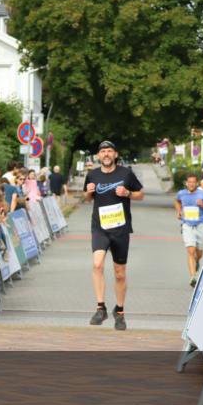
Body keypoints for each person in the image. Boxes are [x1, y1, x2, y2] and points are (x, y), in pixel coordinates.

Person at [82, 140, 144, 331]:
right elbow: (87, 198)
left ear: (115, 154)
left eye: (109, 151)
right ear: (98, 156)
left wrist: (128, 193)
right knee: (97, 264)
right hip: (100, 227)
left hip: (120, 229)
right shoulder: (92, 174)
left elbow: (140, 194)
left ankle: (120, 311)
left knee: (119, 273)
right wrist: (88, 193)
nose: (106, 154)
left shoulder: (126, 173)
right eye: (103, 152)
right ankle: (100, 308)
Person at [175, 173, 203, 287]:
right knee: (191, 250)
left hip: (200, 224)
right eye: (189, 182)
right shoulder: (181, 193)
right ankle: (193, 277)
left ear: (197, 183)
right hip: (187, 225)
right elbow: (177, 201)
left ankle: (197, 260)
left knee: (198, 251)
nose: (191, 184)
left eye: (193, 182)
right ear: (186, 183)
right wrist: (179, 211)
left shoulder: (202, 194)